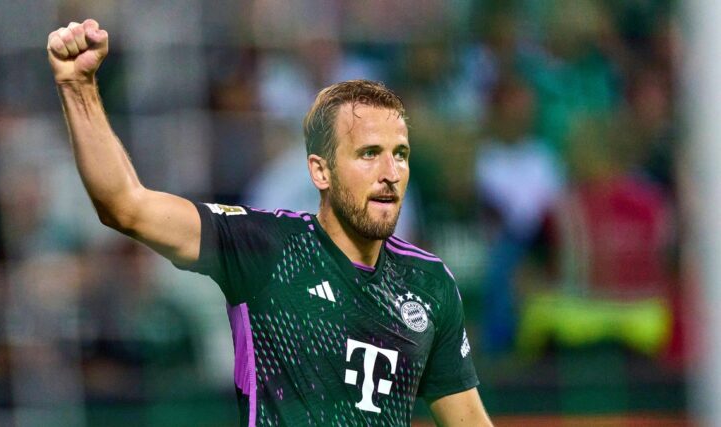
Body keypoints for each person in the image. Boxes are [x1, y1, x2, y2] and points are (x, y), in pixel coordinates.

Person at [47, 19, 492, 426]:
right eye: (369, 154)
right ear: (321, 171)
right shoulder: (265, 247)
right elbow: (125, 206)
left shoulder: (429, 284)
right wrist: (78, 86)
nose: (390, 173)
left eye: (401, 155)